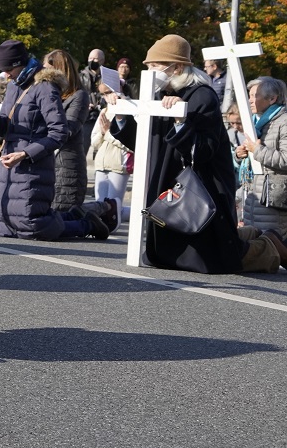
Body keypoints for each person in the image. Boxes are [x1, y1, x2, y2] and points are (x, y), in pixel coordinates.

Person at [106, 34, 280, 273]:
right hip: (167, 183)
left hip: (200, 186)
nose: (150, 72)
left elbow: (204, 150)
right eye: (148, 67)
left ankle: (268, 247)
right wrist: (121, 114)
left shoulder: (202, 95)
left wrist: (180, 121)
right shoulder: (158, 94)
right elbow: (148, 142)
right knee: (167, 255)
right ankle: (248, 235)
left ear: (176, 67)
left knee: (214, 258)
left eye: (155, 66)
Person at [0, 40, 110, 241]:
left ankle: (86, 224)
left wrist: (26, 153)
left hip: (33, 166)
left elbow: (59, 132)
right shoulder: (14, 85)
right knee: (5, 224)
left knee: (33, 226)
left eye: (8, 69)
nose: (6, 74)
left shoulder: (45, 88)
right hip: (10, 163)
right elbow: (5, 128)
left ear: (19, 64)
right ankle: (73, 216)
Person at [235, 78, 287, 238]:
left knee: (273, 245)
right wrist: (240, 154)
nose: (249, 100)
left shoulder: (283, 121)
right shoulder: (256, 123)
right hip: (254, 196)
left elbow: (285, 159)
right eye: (249, 95)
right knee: (256, 242)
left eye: (254, 95)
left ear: (272, 98)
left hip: (273, 199)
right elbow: (252, 155)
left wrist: (256, 150)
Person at [44, 49, 90, 212]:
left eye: (46, 70)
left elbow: (67, 130)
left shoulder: (79, 96)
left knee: (63, 214)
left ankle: (103, 210)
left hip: (65, 164)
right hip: (46, 163)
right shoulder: (45, 94)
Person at [90, 87, 133, 224]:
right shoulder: (104, 110)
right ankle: (102, 229)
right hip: (101, 163)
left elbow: (130, 143)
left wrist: (108, 133)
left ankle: (145, 214)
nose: (105, 97)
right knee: (99, 206)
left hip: (118, 165)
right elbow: (94, 141)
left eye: (108, 93)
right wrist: (103, 133)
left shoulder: (131, 109)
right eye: (103, 94)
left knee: (114, 208)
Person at [80, 48, 105, 126]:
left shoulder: (106, 77)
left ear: (102, 61)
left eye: (95, 59)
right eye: (90, 58)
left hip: (102, 116)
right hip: (85, 116)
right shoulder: (80, 77)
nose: (92, 61)